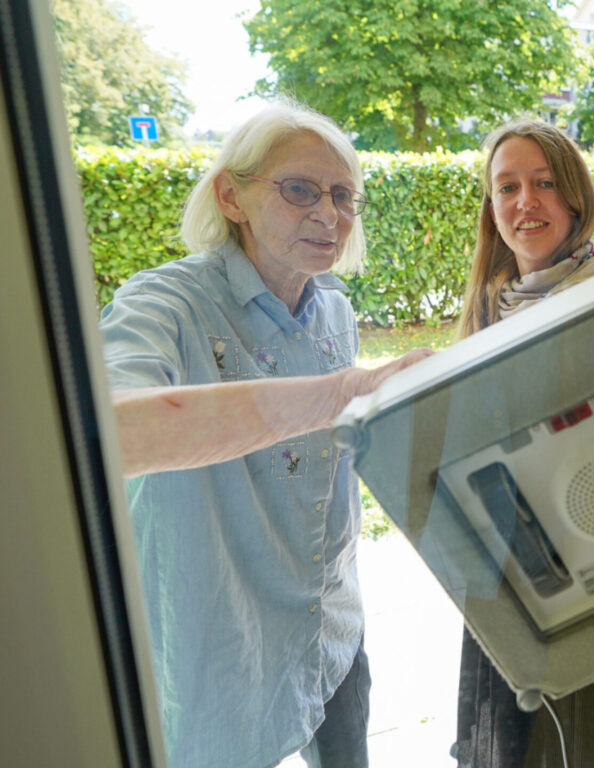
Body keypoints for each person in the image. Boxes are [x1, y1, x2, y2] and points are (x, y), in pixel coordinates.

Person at [99, 100, 431, 768]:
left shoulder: (333, 307)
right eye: (299, 190)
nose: (328, 214)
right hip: (218, 638)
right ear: (232, 196)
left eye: (343, 196)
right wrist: (346, 391)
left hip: (326, 624)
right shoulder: (163, 303)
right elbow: (115, 432)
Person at [451, 118, 594, 767]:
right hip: (507, 559)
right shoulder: (490, 300)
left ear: (574, 196)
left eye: (543, 183)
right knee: (507, 737)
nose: (525, 202)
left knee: (592, 739)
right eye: (507, 187)